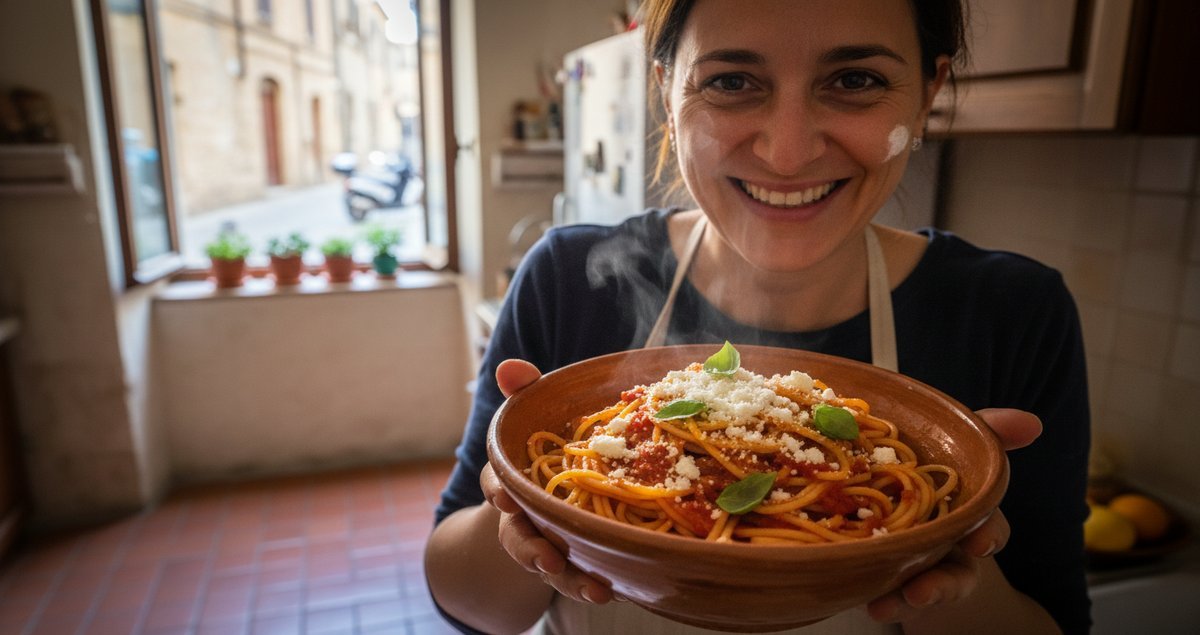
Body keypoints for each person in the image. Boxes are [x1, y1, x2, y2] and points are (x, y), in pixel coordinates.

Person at [425, 0, 1091, 633]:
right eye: (732, 81)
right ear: (666, 93)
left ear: (927, 92)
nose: (787, 151)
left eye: (855, 79)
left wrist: (937, 559)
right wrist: (521, 510)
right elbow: (468, 605)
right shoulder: (568, 279)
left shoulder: (1013, 314)